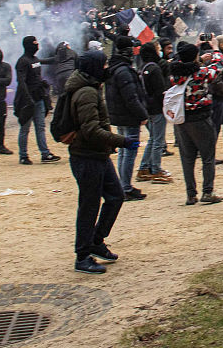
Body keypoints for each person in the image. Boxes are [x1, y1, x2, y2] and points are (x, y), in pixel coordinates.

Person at [64, 49, 131, 275]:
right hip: (86, 156)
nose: (106, 69)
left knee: (115, 196)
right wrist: (122, 141)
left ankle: (96, 240)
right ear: (94, 67)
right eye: (103, 65)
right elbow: (91, 129)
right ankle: (82, 256)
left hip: (98, 155)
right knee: (89, 206)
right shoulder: (86, 93)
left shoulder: (92, 87)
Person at [173, 42, 222, 205]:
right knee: (208, 156)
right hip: (200, 117)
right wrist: (215, 48)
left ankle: (190, 194)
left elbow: (178, 62)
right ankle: (207, 191)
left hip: (181, 119)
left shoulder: (175, 73)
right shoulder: (200, 72)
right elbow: (218, 66)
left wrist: (195, 53)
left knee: (187, 158)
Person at [105, 36, 148, 201]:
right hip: (129, 118)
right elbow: (131, 98)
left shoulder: (114, 68)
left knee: (124, 151)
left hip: (120, 117)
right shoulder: (123, 71)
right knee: (130, 151)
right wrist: (142, 115)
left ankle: (124, 184)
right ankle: (125, 187)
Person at [13, 36, 60, 166]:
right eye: (34, 43)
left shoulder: (35, 60)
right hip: (27, 101)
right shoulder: (22, 61)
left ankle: (45, 154)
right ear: (28, 45)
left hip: (38, 99)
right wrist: (28, 100)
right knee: (25, 129)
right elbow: (21, 82)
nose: (37, 45)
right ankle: (23, 156)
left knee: (40, 127)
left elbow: (43, 64)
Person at [135, 41, 172, 184]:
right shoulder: (155, 68)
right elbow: (160, 90)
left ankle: (144, 167)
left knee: (153, 138)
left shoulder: (142, 67)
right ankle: (156, 170)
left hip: (147, 107)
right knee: (158, 140)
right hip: (157, 108)